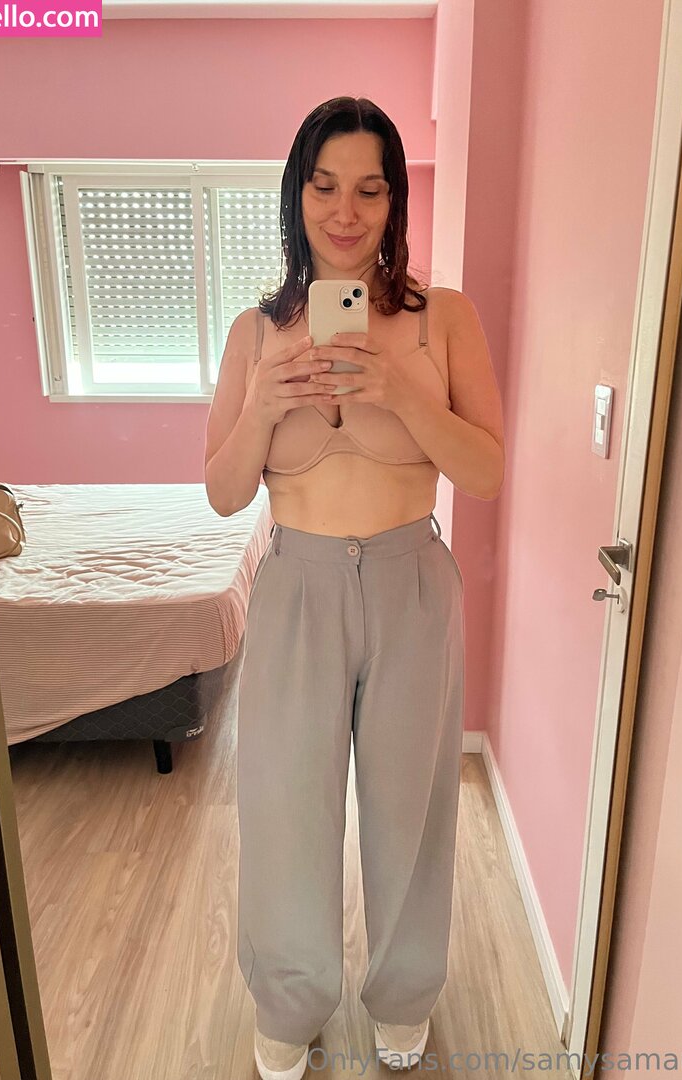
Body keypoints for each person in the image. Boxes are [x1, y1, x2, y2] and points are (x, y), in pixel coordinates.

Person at [204, 96, 504, 1080]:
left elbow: (485, 471)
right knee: (284, 808)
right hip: (297, 584)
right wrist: (262, 406)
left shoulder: (441, 318)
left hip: (412, 581)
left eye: (369, 189)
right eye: (325, 186)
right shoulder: (255, 331)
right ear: (296, 196)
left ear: (394, 201)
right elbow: (222, 492)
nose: (345, 211)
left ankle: (404, 994)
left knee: (410, 808)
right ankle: (290, 1001)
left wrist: (402, 395)